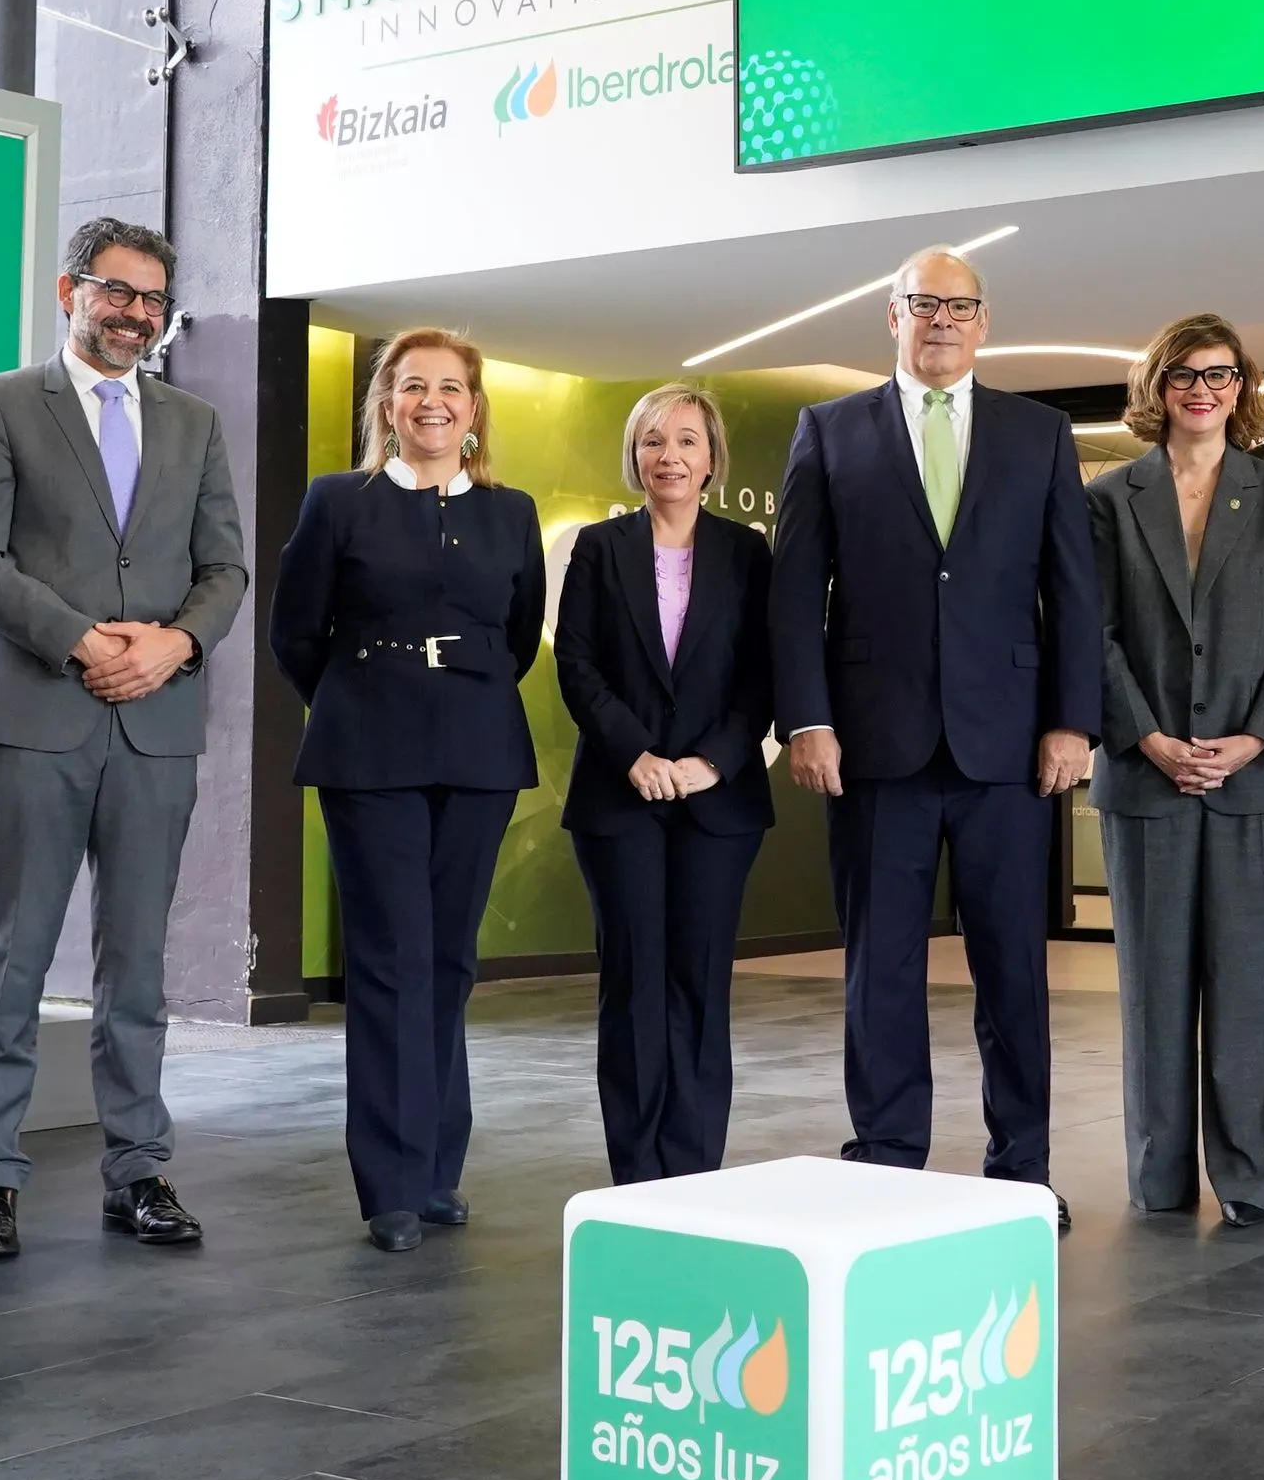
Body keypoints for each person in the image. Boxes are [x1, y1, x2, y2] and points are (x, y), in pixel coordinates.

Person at [0, 216, 247, 1262]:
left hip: (156, 721)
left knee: (140, 963)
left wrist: (173, 645)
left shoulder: (194, 421)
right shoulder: (5, 402)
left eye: (154, 300)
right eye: (119, 292)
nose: (137, 314)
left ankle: (139, 1171)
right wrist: (81, 641)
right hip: (37, 714)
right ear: (70, 289)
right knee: (15, 955)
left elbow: (226, 570)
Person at [772, 247, 1100, 1221]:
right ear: (893, 315)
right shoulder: (829, 431)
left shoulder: (1039, 434)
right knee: (882, 967)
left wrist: (1073, 720)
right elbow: (795, 593)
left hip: (1010, 747)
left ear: (985, 321)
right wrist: (809, 717)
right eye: (926, 303)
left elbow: (1073, 588)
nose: (943, 319)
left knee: (1014, 971)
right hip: (873, 745)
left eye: (960, 305)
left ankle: (1023, 1170)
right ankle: (884, 1159)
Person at [274, 329, 542, 1248]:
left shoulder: (511, 512)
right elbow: (296, 634)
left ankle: (436, 1170)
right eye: (413, 386)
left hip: (478, 751)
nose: (434, 402)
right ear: (386, 404)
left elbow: (520, 633)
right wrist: (357, 700)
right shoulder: (338, 501)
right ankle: (389, 1181)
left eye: (452, 388)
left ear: (474, 410)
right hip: (368, 752)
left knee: (450, 963)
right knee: (389, 960)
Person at [1088, 314, 1264, 1227]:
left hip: (1254, 782)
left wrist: (1254, 739)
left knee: (1255, 991)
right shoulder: (1108, 499)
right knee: (1153, 994)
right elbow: (1095, 636)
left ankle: (1258, 1180)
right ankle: (1158, 1180)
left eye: (1220, 375)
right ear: (1158, 384)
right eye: (1183, 373)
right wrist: (1146, 737)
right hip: (1145, 778)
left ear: (1241, 389)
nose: (1201, 389)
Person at [551, 383, 771, 1184]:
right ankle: (638, 1174)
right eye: (653, 441)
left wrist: (709, 762)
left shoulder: (748, 554)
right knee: (633, 984)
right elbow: (576, 665)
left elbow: (763, 675)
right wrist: (636, 755)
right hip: (621, 798)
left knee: (699, 983)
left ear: (712, 458)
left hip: (720, 800)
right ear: (634, 456)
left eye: (685, 440)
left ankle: (694, 1167)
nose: (668, 455)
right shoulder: (598, 549)